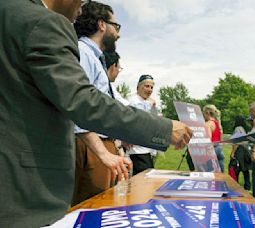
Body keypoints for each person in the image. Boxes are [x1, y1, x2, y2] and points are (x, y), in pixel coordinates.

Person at [0, 0, 192, 227]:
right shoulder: (44, 23)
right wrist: (163, 129)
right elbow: (83, 101)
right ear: (102, 25)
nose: (80, 8)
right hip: (25, 192)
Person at [71, 1, 130, 206]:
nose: (118, 34)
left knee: (103, 206)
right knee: (91, 208)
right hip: (91, 149)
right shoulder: (83, 52)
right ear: (101, 24)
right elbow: (78, 106)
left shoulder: (95, 57)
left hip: (99, 147)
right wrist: (103, 153)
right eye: (116, 26)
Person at [125, 75, 158, 175]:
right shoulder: (132, 101)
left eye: (151, 87)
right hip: (137, 151)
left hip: (148, 150)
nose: (150, 89)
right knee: (143, 182)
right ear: (138, 87)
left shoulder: (150, 102)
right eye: (146, 86)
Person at [230, 116, 251, 190]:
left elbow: (237, 141)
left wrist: (232, 152)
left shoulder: (238, 128)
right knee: (245, 169)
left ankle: (235, 185)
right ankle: (247, 186)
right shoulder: (244, 129)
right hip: (245, 150)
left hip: (239, 150)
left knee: (236, 168)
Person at [203, 104, 225, 172]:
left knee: (209, 173)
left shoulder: (208, 124)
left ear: (207, 113)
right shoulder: (218, 123)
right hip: (220, 149)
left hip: (212, 150)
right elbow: (220, 137)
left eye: (204, 113)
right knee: (221, 174)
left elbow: (208, 140)